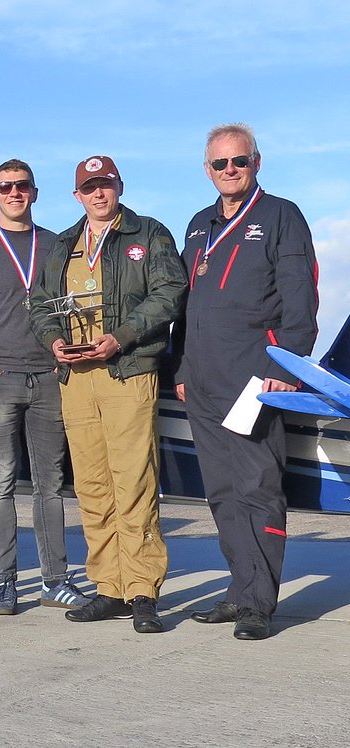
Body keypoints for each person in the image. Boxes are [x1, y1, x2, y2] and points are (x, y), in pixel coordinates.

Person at [28, 155, 187, 634]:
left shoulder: (148, 233)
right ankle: (109, 588)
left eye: (107, 184)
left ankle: (142, 590)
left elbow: (170, 292)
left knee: (133, 481)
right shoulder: (61, 244)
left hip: (126, 371)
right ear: (77, 194)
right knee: (93, 485)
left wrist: (123, 335)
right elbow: (39, 304)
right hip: (77, 377)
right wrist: (53, 340)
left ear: (119, 186)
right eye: (90, 187)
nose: (99, 193)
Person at [175, 124, 319, 641]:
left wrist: (286, 368)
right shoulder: (198, 225)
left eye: (239, 161)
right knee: (221, 491)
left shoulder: (281, 215)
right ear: (207, 169)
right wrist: (182, 369)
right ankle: (239, 590)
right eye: (220, 164)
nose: (229, 171)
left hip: (254, 377)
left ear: (257, 162)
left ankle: (260, 601)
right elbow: (185, 306)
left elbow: (301, 298)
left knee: (258, 486)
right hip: (203, 379)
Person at [0, 160, 87, 615]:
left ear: (35, 193)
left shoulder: (58, 245)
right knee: (0, 486)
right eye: (5, 187)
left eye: (22, 186)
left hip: (49, 378)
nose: (14, 193)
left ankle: (54, 580)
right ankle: (4, 583)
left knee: (50, 486)